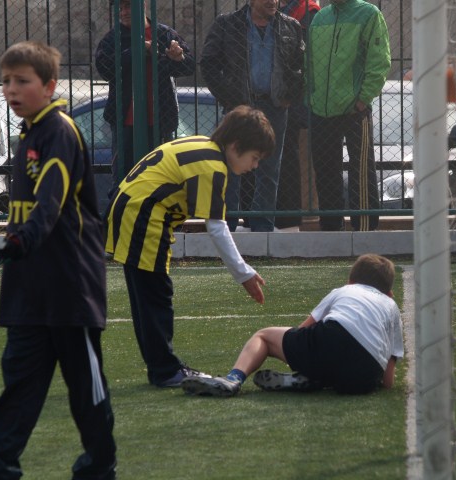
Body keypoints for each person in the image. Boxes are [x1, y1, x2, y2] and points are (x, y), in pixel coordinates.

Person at [0, 41, 116, 480]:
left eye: (22, 81)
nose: (11, 89)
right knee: (20, 384)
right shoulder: (28, 134)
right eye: (6, 81)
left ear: (49, 86)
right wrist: (17, 245)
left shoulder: (59, 132)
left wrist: (21, 240)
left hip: (70, 285)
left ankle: (99, 465)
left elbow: (51, 202)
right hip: (28, 284)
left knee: (85, 388)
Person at [105, 105, 274, 388]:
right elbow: (216, 227)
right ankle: (165, 370)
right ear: (236, 146)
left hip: (128, 208)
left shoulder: (202, 145)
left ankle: (161, 366)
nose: (254, 166)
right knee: (155, 295)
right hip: (143, 215)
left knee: (145, 295)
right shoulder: (213, 166)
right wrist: (243, 273)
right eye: (254, 158)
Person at [181, 253, 403, 397]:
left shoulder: (344, 291)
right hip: (364, 376)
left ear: (351, 281)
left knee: (264, 336)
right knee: (340, 368)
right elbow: (388, 381)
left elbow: (303, 330)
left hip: (331, 339)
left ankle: (233, 379)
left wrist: (298, 357)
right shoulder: (392, 307)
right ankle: (314, 379)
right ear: (389, 293)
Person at [200, 0, 305, 232]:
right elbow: (208, 63)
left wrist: (289, 95)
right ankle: (227, 225)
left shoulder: (290, 26)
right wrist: (229, 97)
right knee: (230, 166)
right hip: (239, 106)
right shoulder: (228, 24)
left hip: (275, 106)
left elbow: (300, 65)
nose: (273, 1)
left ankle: (263, 226)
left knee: (270, 170)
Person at [307, 0, 391, 231]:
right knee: (325, 170)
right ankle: (331, 227)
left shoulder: (369, 14)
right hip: (321, 109)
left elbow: (379, 61)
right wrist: (311, 96)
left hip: (355, 110)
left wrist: (363, 99)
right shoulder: (320, 17)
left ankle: (364, 227)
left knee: (361, 169)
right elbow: (309, 62)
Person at [95, 0, 195, 191]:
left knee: (161, 179)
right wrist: (137, 50)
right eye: (120, 8)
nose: (123, 12)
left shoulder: (164, 34)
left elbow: (189, 65)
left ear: (144, 5)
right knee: (124, 180)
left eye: (128, 6)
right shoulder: (113, 38)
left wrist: (178, 57)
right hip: (125, 122)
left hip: (160, 120)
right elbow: (104, 68)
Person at [274, 0, 320, 230]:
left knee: (291, 158)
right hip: (278, 94)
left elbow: (305, 59)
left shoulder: (308, 12)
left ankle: (290, 217)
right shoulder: (279, 11)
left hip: (296, 98)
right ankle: (279, 215)